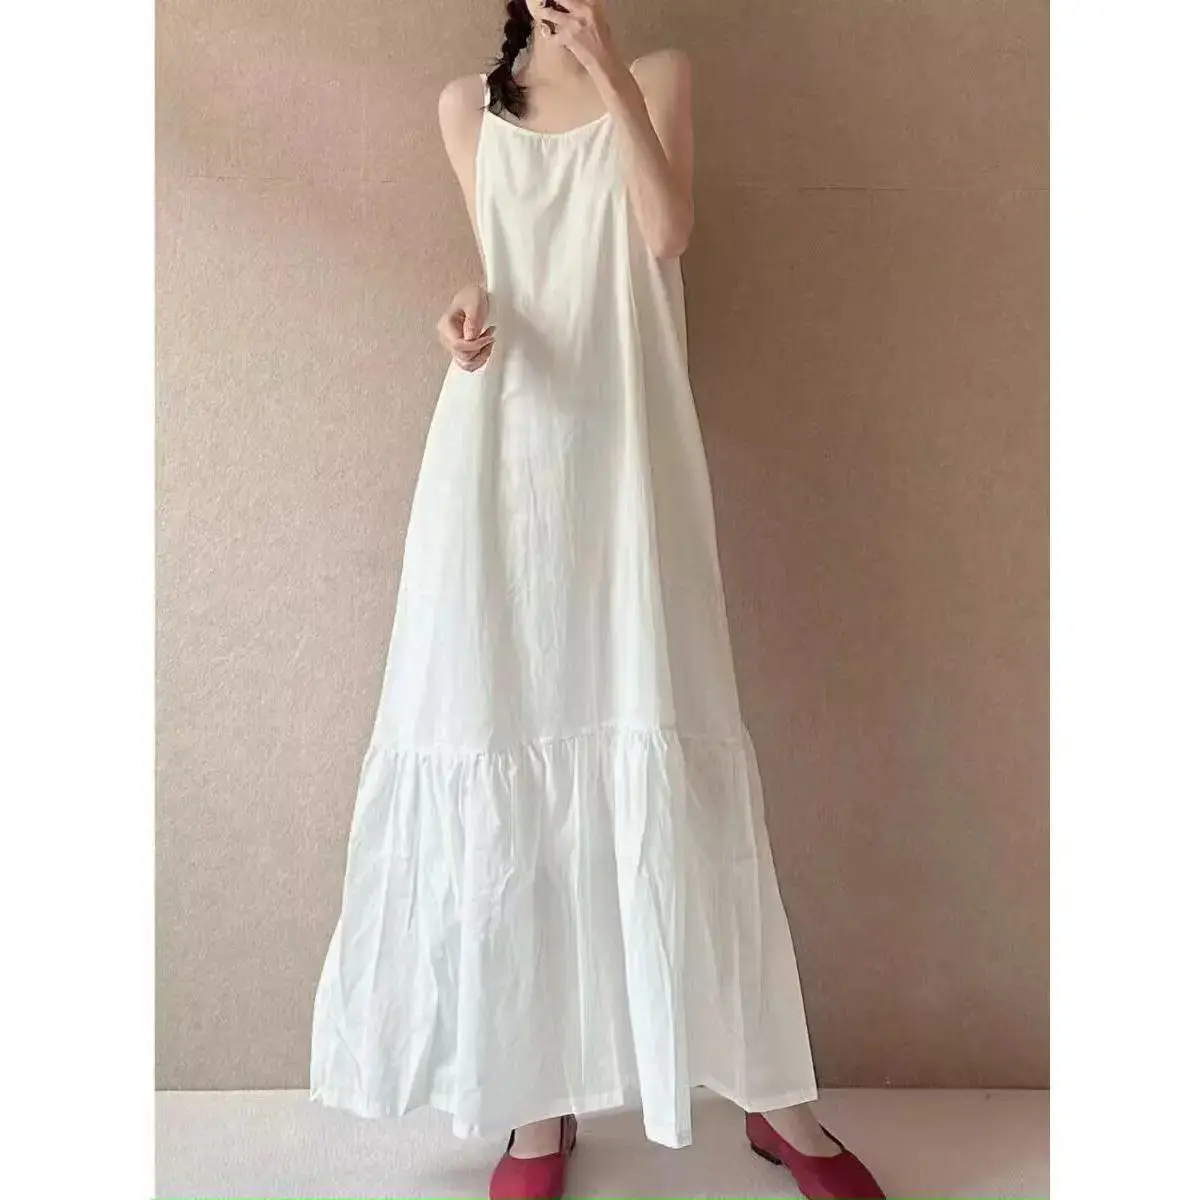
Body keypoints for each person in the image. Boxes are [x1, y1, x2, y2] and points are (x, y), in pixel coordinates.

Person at [310, 3, 886, 1198]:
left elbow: (665, 232)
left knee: (663, 731)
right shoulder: (466, 108)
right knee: (505, 739)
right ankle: (536, 1111)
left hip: (629, 464)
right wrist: (461, 310)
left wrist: (607, 68)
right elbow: (502, 267)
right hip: (501, 459)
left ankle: (774, 1101)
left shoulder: (660, 74)